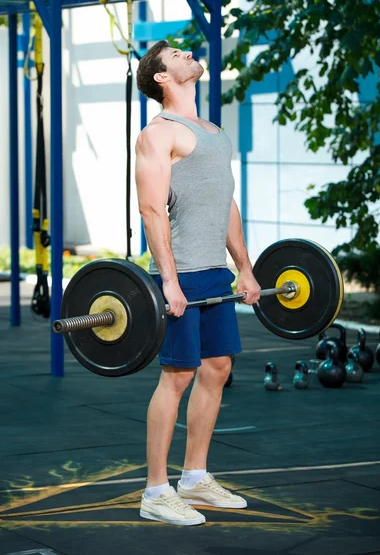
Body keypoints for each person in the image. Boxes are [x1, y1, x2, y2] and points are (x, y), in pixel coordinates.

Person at [135, 40, 261, 526]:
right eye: (177, 56)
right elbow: (150, 209)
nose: (188, 54)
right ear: (161, 79)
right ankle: (155, 490)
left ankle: (195, 477)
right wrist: (168, 280)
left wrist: (245, 267)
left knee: (217, 368)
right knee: (179, 375)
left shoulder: (213, 132)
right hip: (180, 272)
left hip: (214, 269)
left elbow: (226, 203)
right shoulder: (157, 134)